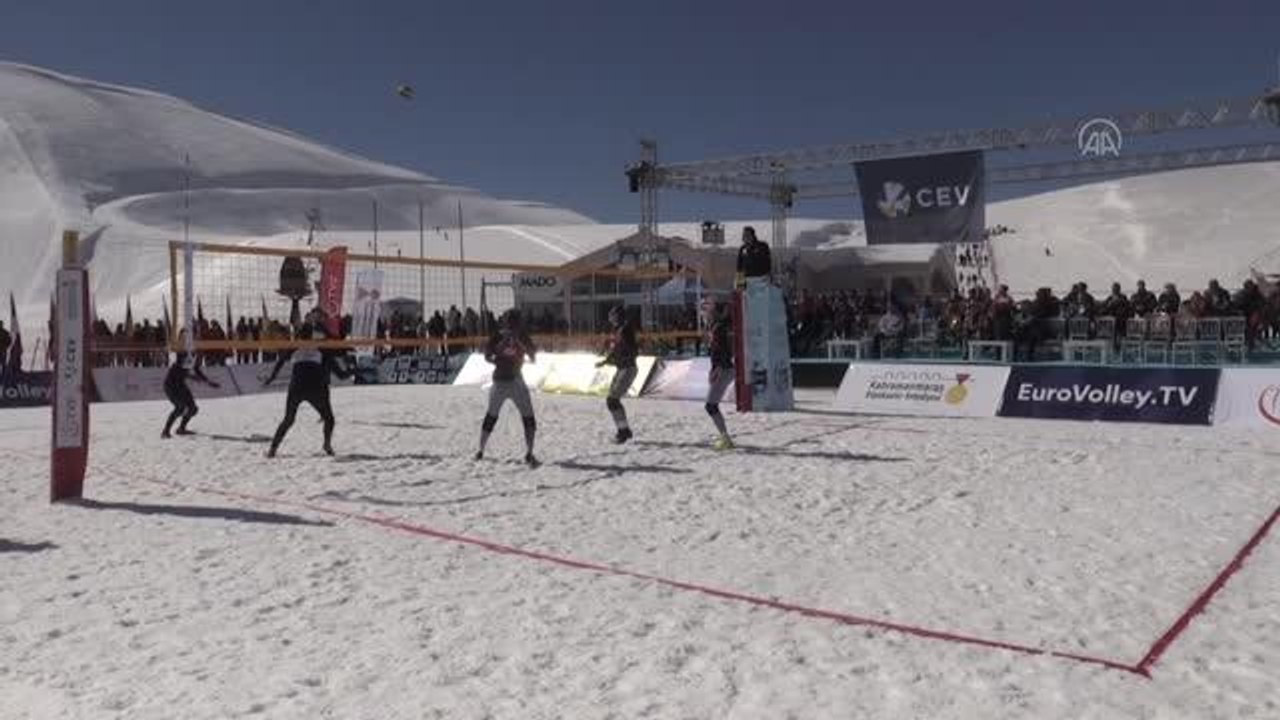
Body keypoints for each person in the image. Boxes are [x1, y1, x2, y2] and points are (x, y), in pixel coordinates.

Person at [263, 309, 353, 458]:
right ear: (313, 335)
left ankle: (273, 450)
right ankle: (327, 445)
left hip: (297, 386)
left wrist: (272, 377)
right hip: (315, 386)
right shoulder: (321, 348)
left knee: (288, 420)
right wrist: (354, 371)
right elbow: (341, 375)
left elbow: (280, 361)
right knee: (329, 419)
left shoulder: (295, 346)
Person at [476, 310, 540, 467]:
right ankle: (529, 453)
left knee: (491, 415)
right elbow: (533, 356)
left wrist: (499, 360)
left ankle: (480, 450)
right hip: (516, 380)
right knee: (528, 417)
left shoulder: (498, 335)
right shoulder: (522, 336)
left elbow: (487, 356)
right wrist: (524, 354)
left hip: (498, 380)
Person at [161, 330, 220, 438]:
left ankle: (181, 429)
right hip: (171, 384)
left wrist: (208, 382)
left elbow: (197, 371)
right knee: (180, 407)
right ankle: (165, 432)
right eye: (186, 338)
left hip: (180, 384)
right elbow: (175, 349)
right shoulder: (181, 351)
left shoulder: (194, 354)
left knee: (193, 409)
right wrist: (178, 340)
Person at [597, 305, 637, 444]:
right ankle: (624, 430)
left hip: (627, 368)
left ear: (618, 316)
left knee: (612, 400)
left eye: (612, 315)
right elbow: (616, 350)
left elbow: (632, 350)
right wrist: (606, 361)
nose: (610, 318)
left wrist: (622, 358)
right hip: (622, 368)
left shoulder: (625, 329)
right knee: (612, 400)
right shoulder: (618, 330)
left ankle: (623, 431)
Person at [703, 300, 735, 450]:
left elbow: (722, 352)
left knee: (710, 405)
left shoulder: (718, 328)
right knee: (711, 405)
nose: (706, 312)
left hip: (724, 369)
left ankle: (725, 438)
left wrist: (717, 369)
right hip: (724, 368)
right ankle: (725, 437)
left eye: (709, 309)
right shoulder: (715, 327)